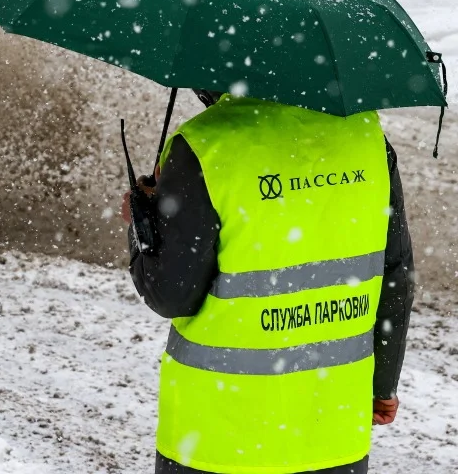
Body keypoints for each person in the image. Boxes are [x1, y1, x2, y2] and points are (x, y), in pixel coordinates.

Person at [122, 89, 414, 474]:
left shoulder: (205, 145)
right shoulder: (366, 135)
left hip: (216, 438)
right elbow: (395, 271)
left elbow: (171, 294)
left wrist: (141, 225)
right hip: (331, 432)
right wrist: (381, 384)